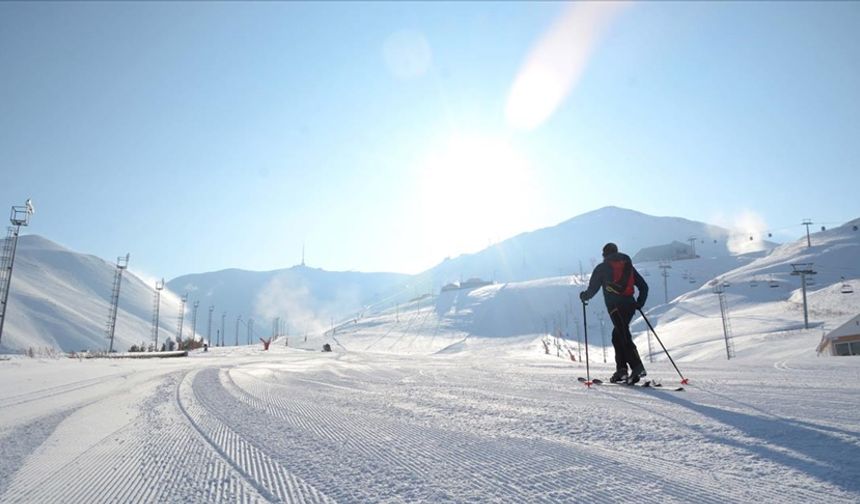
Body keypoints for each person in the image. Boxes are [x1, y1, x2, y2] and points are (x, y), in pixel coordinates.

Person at [580, 242, 649, 384]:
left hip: (615, 307)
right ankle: (622, 370)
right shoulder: (628, 266)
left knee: (623, 335)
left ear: (604, 254)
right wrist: (639, 303)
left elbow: (593, 289)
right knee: (617, 336)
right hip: (629, 305)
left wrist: (584, 296)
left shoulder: (602, 268)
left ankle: (637, 367)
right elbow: (644, 287)